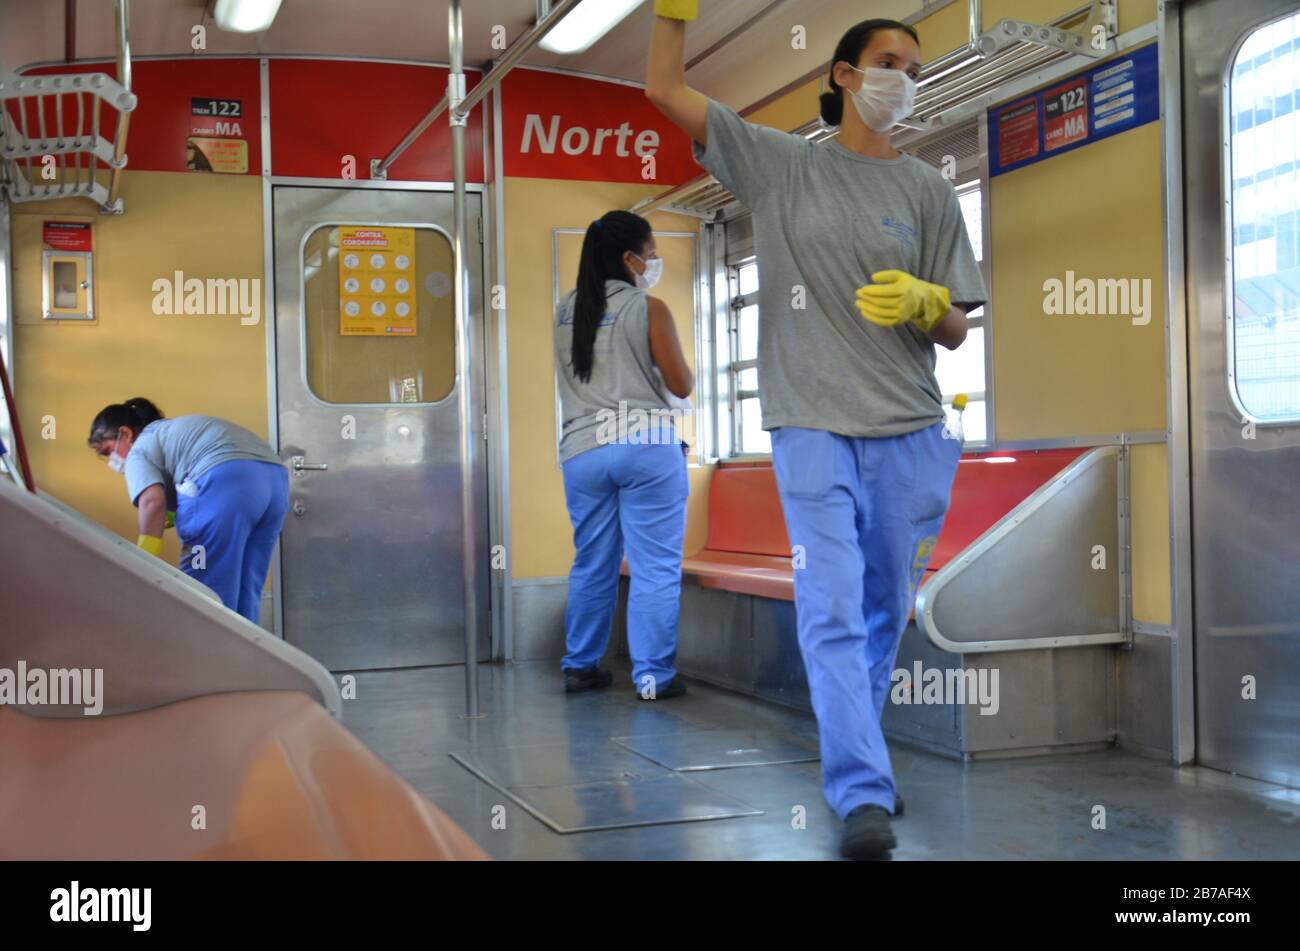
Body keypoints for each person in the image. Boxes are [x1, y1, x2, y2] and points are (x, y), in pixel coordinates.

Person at [646, 4, 987, 858]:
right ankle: (861, 792)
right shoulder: (782, 166)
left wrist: (928, 302)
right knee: (831, 606)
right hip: (811, 428)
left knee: (880, 613)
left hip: (910, 430)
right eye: (887, 61)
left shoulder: (928, 188)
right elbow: (663, 88)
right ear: (842, 75)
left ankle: (858, 760)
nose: (902, 79)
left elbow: (957, 329)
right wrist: (673, 16)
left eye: (913, 66)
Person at [554, 210, 695, 700]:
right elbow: (681, 384)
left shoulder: (566, 310)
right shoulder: (648, 308)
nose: (654, 261)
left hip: (583, 450)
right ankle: (653, 676)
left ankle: (581, 665)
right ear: (629, 258)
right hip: (645, 445)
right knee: (654, 565)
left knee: (593, 560)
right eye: (652, 252)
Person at [87, 398, 289, 625]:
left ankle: (205, 657)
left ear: (125, 434)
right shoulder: (172, 433)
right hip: (274, 483)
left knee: (204, 589)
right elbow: (174, 499)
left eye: (107, 452)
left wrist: (143, 559)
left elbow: (153, 502)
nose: (111, 462)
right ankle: (245, 656)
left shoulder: (139, 449)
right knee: (246, 585)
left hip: (224, 480)